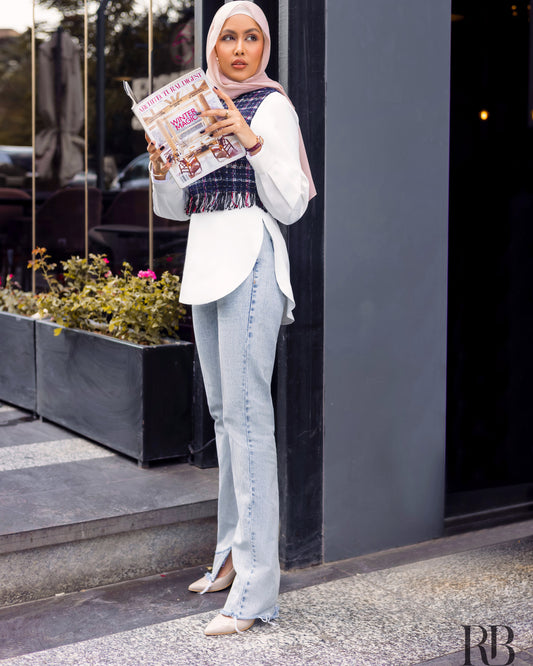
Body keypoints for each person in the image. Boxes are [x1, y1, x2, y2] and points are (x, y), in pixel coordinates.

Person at [147, 0, 316, 637]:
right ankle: (227, 560)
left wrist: (249, 138)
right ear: (211, 48)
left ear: (263, 48)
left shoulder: (270, 105)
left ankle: (256, 591)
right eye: (228, 38)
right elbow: (176, 207)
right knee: (225, 417)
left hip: (251, 259)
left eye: (251, 38)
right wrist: (164, 160)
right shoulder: (195, 108)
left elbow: (293, 203)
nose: (240, 49)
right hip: (207, 263)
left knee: (248, 421)